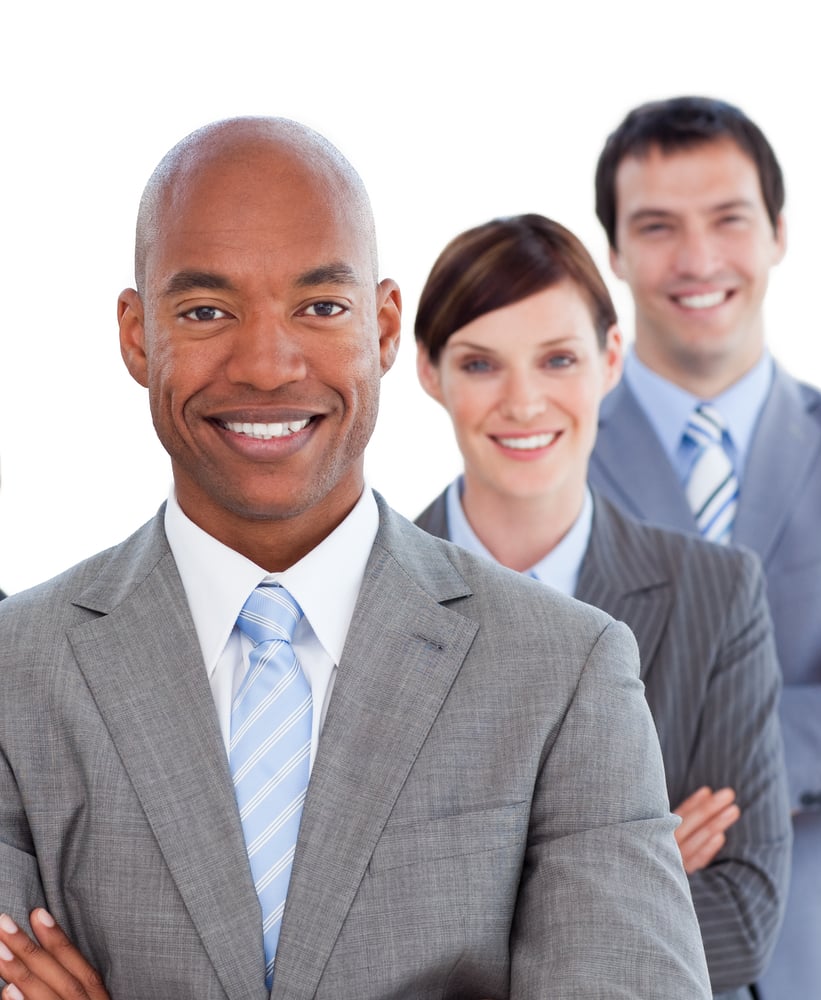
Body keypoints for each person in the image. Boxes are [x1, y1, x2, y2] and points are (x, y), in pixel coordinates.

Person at [0, 117, 713, 1000]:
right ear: (138, 336)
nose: (266, 366)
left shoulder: (564, 670)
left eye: (320, 307)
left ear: (382, 329)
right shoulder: (16, 672)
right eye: (207, 311)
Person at [589, 95, 821, 999]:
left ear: (777, 233)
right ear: (613, 253)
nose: (698, 259)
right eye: (657, 226)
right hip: (635, 955)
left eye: (727, 219)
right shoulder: (548, 468)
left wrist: (715, 748)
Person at [412, 213, 791, 999]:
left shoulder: (713, 596)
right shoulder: (354, 593)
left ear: (610, 358)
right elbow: (330, 923)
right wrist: (621, 873)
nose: (522, 403)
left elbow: (744, 916)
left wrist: (468, 915)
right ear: (427, 370)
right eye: (481, 364)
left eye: (557, 359)